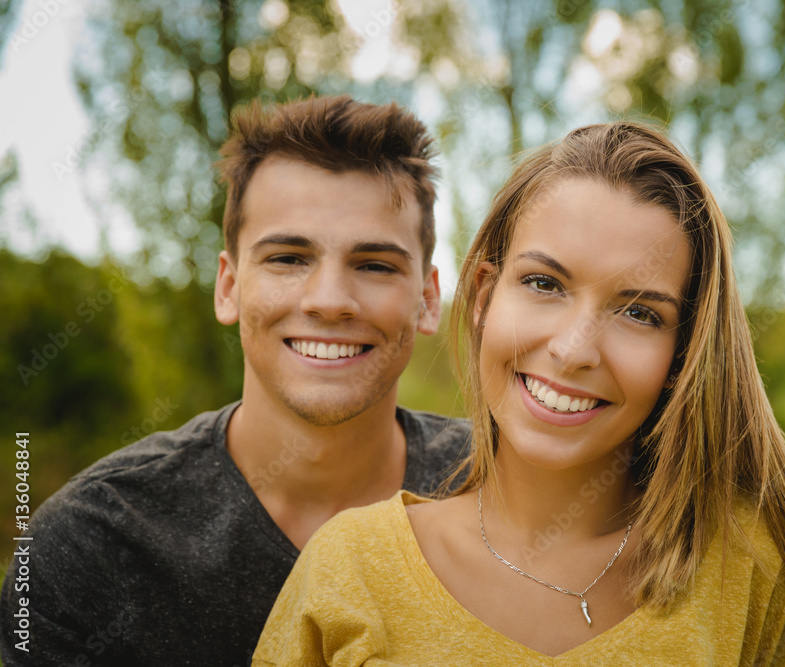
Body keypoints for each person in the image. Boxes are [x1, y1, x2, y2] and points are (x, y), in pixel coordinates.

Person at [252, 122, 785, 666]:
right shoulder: (350, 570)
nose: (573, 349)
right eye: (544, 283)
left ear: (682, 354)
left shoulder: (749, 570)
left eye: (639, 313)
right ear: (484, 296)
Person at [0, 96, 470, 666]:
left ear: (426, 300)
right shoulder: (84, 546)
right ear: (228, 287)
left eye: (374, 265)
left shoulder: (511, 489)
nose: (328, 301)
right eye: (288, 258)